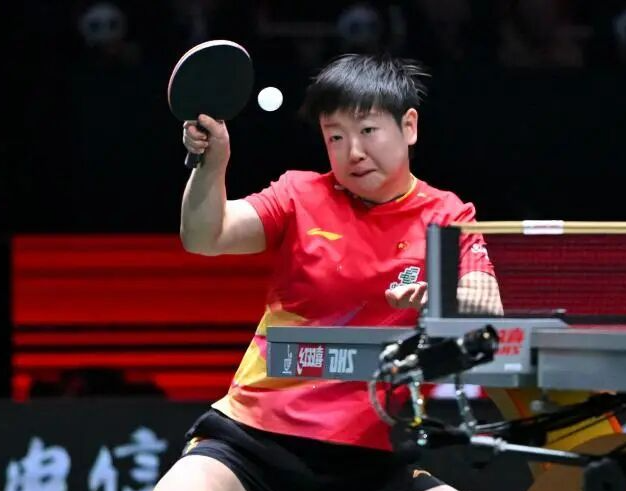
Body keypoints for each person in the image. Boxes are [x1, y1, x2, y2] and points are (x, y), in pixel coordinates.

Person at [155, 53, 503, 491]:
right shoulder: (299, 194)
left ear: (409, 126)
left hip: (371, 459)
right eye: (335, 136)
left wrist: (441, 298)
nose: (353, 152)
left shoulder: (447, 216)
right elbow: (207, 236)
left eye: (368, 131)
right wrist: (214, 162)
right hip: (255, 438)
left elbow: (488, 306)